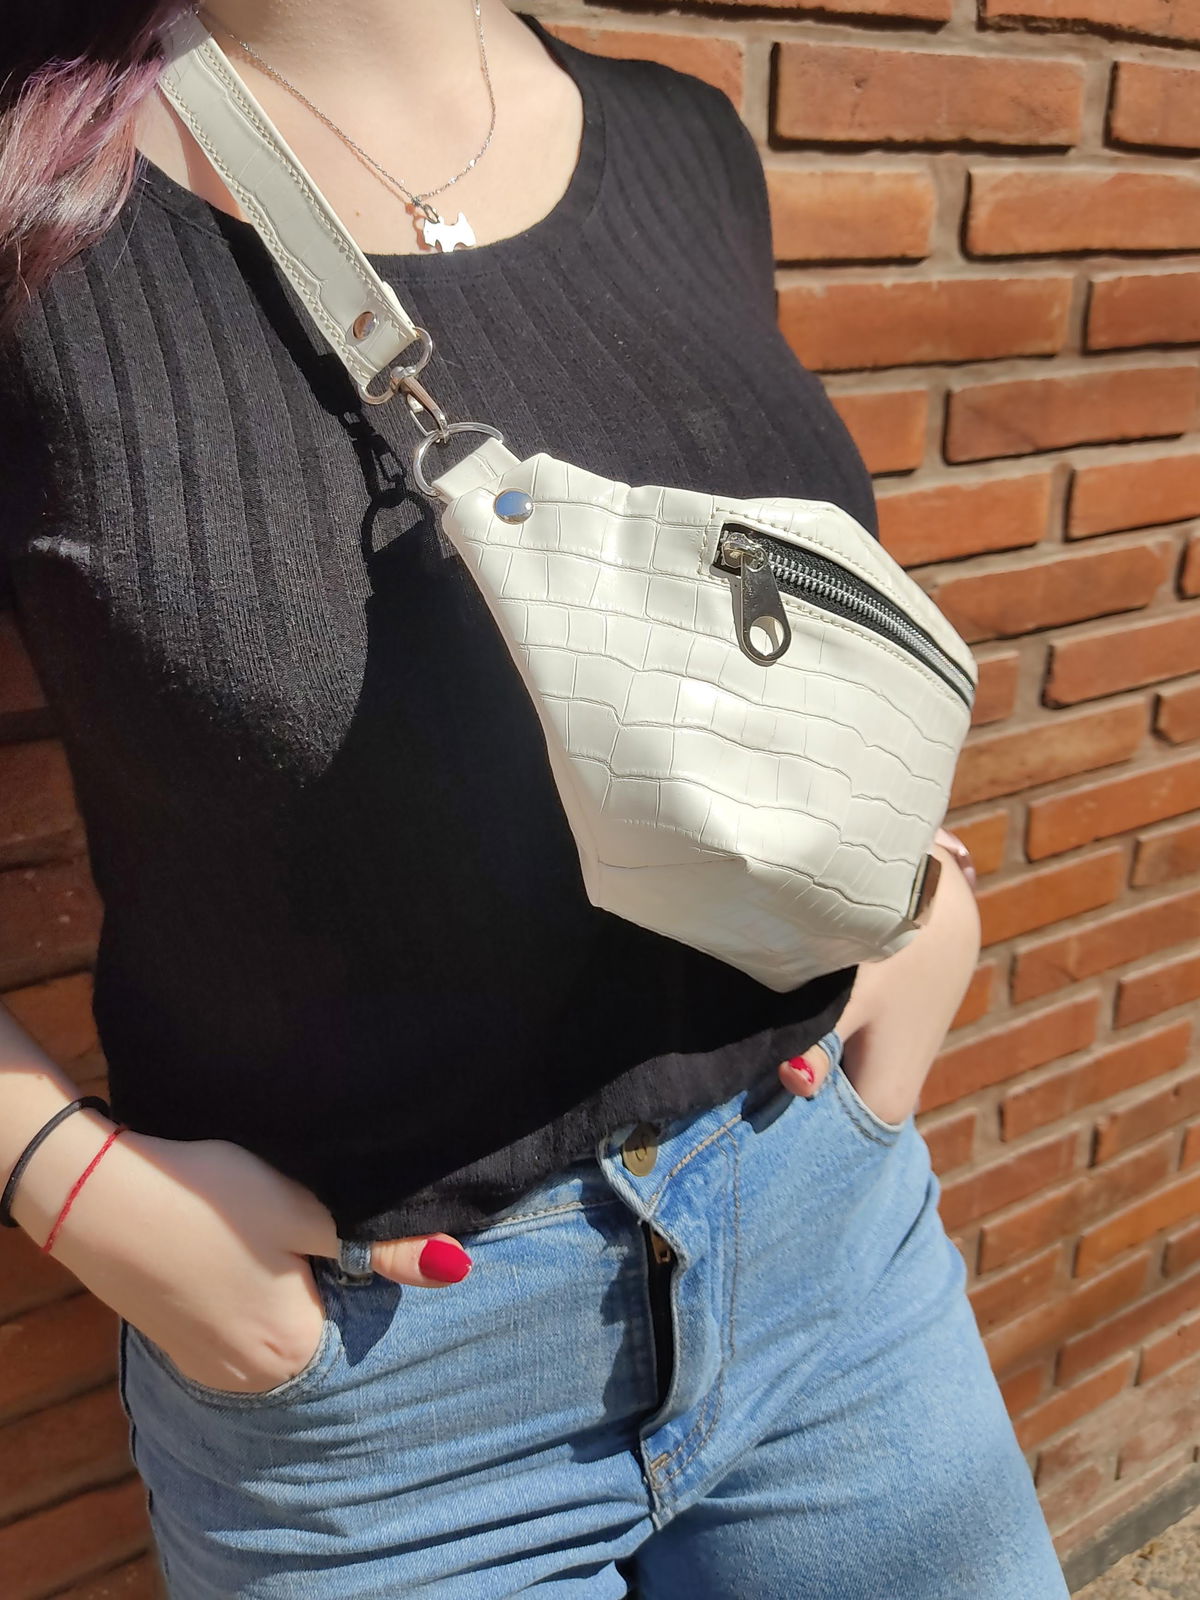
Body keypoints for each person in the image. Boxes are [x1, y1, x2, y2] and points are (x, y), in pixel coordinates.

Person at [0, 3, 1071, 1595]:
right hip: (375, 1396)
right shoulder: (38, 192)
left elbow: (748, 622)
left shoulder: (686, 140)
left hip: (831, 1242)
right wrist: (67, 1185)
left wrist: (931, 908)